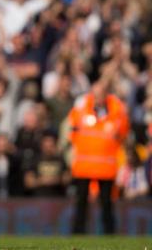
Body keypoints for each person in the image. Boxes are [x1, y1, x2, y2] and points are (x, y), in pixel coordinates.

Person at [68, 81, 129, 234]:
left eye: (101, 94)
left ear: (106, 94)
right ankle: (78, 233)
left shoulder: (117, 112)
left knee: (107, 203)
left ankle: (110, 233)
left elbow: (123, 134)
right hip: (84, 165)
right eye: (95, 94)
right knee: (81, 202)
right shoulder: (81, 109)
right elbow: (72, 133)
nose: (98, 97)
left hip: (106, 166)